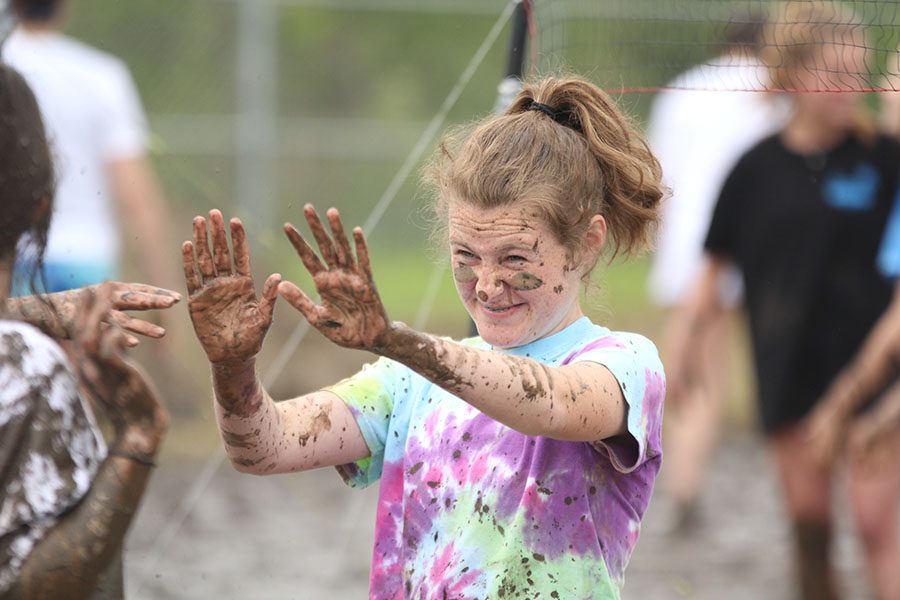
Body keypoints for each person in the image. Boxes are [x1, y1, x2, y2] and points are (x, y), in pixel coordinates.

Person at [184, 77, 666, 598]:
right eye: (466, 257)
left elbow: (547, 405)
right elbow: (263, 447)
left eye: (514, 259)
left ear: (586, 244)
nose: (486, 285)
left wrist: (395, 341)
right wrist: (231, 366)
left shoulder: (624, 365)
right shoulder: (408, 380)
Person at [669, 2, 900, 598]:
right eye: (836, 73)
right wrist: (687, 346)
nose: (853, 88)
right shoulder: (754, 169)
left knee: (878, 525)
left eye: (861, 73)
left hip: (877, 368)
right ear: (791, 73)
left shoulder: (884, 157)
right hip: (787, 362)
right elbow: (713, 269)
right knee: (809, 525)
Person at [0, 63, 175, 599]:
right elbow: (35, 586)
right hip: (86, 254)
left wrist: (25, 311)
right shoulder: (27, 367)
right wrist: (137, 439)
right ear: (39, 205)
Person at [646, 14, 790, 529]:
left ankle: (675, 482)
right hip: (749, 252)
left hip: (683, 251)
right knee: (708, 377)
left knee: (683, 372)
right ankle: (684, 488)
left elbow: (654, 178)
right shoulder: (776, 95)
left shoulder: (681, 90)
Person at [2, 0, 179, 299]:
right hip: (89, 267)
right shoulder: (101, 75)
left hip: (16, 261)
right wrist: (164, 292)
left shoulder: (6, 70)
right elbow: (134, 194)